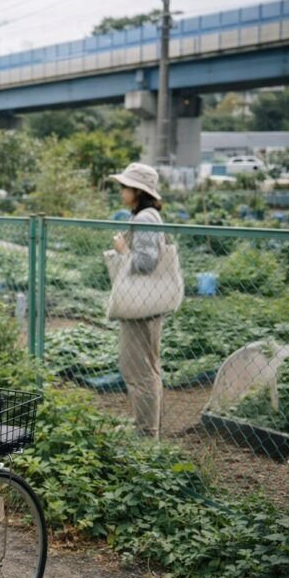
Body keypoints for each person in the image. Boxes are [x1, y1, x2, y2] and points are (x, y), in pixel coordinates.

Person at [108, 162, 165, 438]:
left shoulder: (144, 218)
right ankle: (146, 428)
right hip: (148, 302)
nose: (121, 191)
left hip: (141, 304)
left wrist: (122, 250)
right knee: (148, 369)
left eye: (124, 186)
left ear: (137, 191)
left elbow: (145, 262)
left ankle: (145, 435)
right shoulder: (150, 215)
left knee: (137, 370)